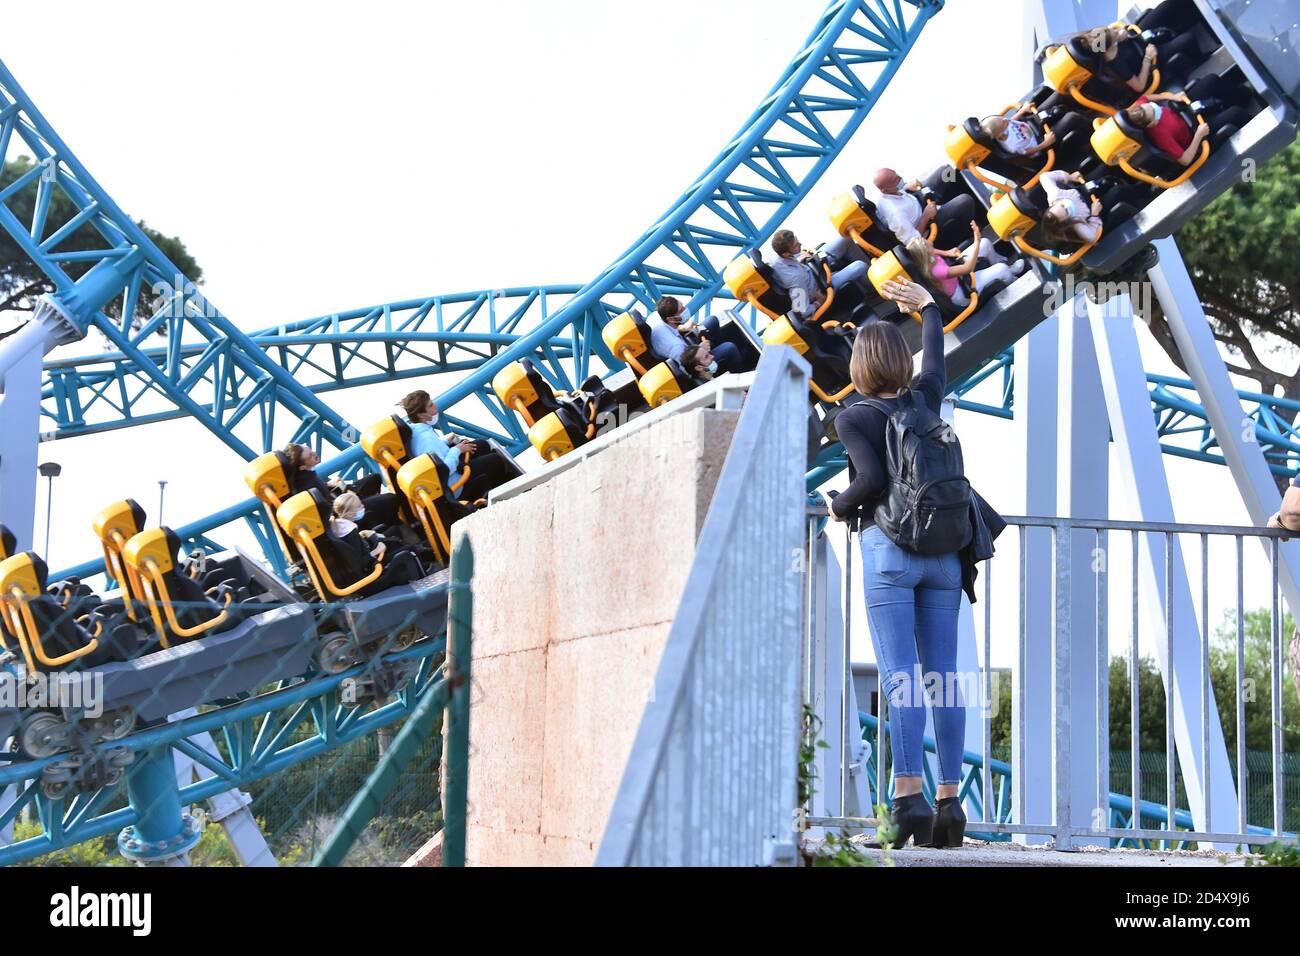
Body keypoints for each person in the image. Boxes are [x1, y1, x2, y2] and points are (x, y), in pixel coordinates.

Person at [825, 277, 968, 848]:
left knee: (901, 677)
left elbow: (872, 481)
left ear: (859, 366)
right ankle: (950, 807)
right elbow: (935, 352)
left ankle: (907, 799)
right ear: (902, 364)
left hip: (889, 553)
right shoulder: (927, 396)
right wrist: (929, 307)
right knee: (943, 679)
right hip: (944, 556)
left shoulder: (853, 417)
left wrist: (836, 506)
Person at [399, 390, 512, 502]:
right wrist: (457, 449)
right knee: (496, 460)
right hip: (455, 483)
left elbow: (432, 452)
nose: (435, 406)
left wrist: (446, 441)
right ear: (421, 414)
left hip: (451, 467)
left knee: (481, 444)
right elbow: (444, 470)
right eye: (431, 405)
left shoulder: (416, 432)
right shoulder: (425, 439)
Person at [905, 221, 1027, 308]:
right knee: (1002, 269)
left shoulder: (928, 257)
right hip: (962, 292)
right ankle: (1015, 281)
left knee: (985, 243)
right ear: (925, 253)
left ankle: (1010, 269)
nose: (928, 241)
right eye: (926, 243)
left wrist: (947, 252)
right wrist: (976, 241)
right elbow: (967, 268)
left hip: (958, 276)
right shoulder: (937, 270)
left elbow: (934, 252)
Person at [282, 442, 400, 530]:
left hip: (339, 499)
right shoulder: (306, 486)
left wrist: (329, 484)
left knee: (375, 478)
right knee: (390, 499)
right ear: (302, 467)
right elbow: (329, 512)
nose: (314, 453)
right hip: (345, 511)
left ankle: (379, 520)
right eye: (310, 455)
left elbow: (321, 489)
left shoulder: (306, 475)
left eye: (311, 450)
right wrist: (349, 496)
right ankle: (393, 527)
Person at [328, 492, 424, 597]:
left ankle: (411, 566)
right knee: (409, 551)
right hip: (371, 575)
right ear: (350, 513)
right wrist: (377, 550)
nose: (363, 506)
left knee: (393, 533)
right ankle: (423, 578)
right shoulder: (350, 534)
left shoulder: (339, 527)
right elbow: (361, 564)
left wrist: (363, 535)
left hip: (367, 564)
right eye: (359, 506)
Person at [768, 230, 869, 319]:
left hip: (809, 265)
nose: (800, 244)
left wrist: (798, 260)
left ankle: (872, 266)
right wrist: (818, 302)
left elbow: (790, 263)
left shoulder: (775, 257)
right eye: (796, 246)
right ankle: (873, 286)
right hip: (821, 285)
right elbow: (803, 311)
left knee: (845, 239)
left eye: (797, 241)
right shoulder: (795, 279)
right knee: (860, 266)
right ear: (786, 254)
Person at [872, 168, 981, 249]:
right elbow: (913, 243)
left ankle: (943, 201)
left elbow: (898, 191)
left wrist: (905, 187)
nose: (900, 178)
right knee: (965, 201)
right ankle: (968, 231)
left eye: (897, 175)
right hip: (929, 223)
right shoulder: (895, 214)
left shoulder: (890, 191)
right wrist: (925, 216)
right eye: (895, 180)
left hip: (920, 201)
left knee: (947, 171)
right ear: (885, 190)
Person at [648, 296, 743, 374]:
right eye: (681, 311)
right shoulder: (677, 347)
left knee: (711, 320)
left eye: (683, 306)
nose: (685, 310)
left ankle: (722, 358)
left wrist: (683, 328)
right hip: (694, 361)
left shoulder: (655, 316)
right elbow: (688, 371)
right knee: (729, 347)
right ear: (671, 319)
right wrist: (700, 349)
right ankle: (739, 374)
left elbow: (672, 329)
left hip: (686, 343)